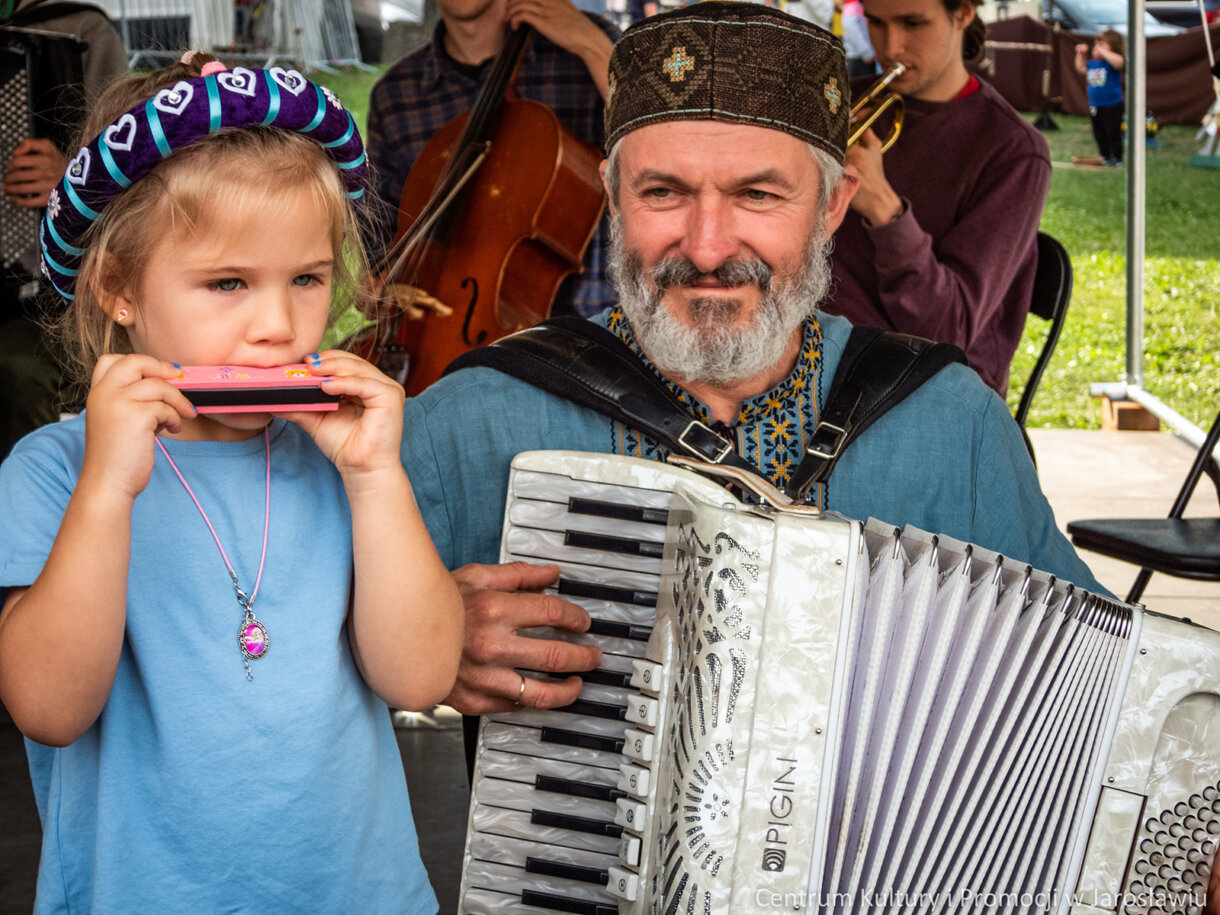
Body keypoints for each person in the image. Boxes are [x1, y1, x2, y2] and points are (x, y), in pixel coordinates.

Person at [399, 0, 1099, 716]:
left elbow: (1106, 679)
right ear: (612, 196)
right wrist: (420, 632)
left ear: (832, 205)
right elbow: (293, 632)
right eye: (663, 192)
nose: (706, 247)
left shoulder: (956, 428)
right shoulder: (476, 417)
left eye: (758, 195)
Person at [0, 55, 462, 912]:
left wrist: (374, 479)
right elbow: (50, 707)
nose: (278, 327)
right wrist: (108, 488)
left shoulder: (341, 461)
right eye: (227, 284)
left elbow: (422, 677)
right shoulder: (56, 473)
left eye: (308, 279)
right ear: (119, 288)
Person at [823, 0, 1051, 397]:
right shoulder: (839, 102)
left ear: (962, 13)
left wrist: (883, 208)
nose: (890, 47)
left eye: (912, 23)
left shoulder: (1013, 151)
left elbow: (947, 335)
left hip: (923, 393)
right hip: (812, 362)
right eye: (875, 23)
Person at [366, 0, 620, 318]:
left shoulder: (593, 42)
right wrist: (376, 287)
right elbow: (379, 248)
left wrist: (594, 48)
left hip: (591, 324)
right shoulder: (395, 97)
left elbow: (663, 152)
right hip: (444, 329)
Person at [1, 0, 127, 461]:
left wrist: (71, 177)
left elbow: (135, 174)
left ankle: (29, 513)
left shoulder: (79, 30)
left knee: (20, 370)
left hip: (50, 297)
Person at [1075, 29, 1125, 167]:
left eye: (1102, 44)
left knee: (1113, 131)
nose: (1097, 48)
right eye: (1096, 44)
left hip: (1112, 105)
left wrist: (1103, 52)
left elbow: (1120, 62)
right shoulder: (1093, 64)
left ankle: (1117, 157)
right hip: (1095, 105)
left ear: (1113, 47)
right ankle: (1105, 156)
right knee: (1098, 132)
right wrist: (1080, 54)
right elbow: (1080, 69)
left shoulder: (1111, 64)